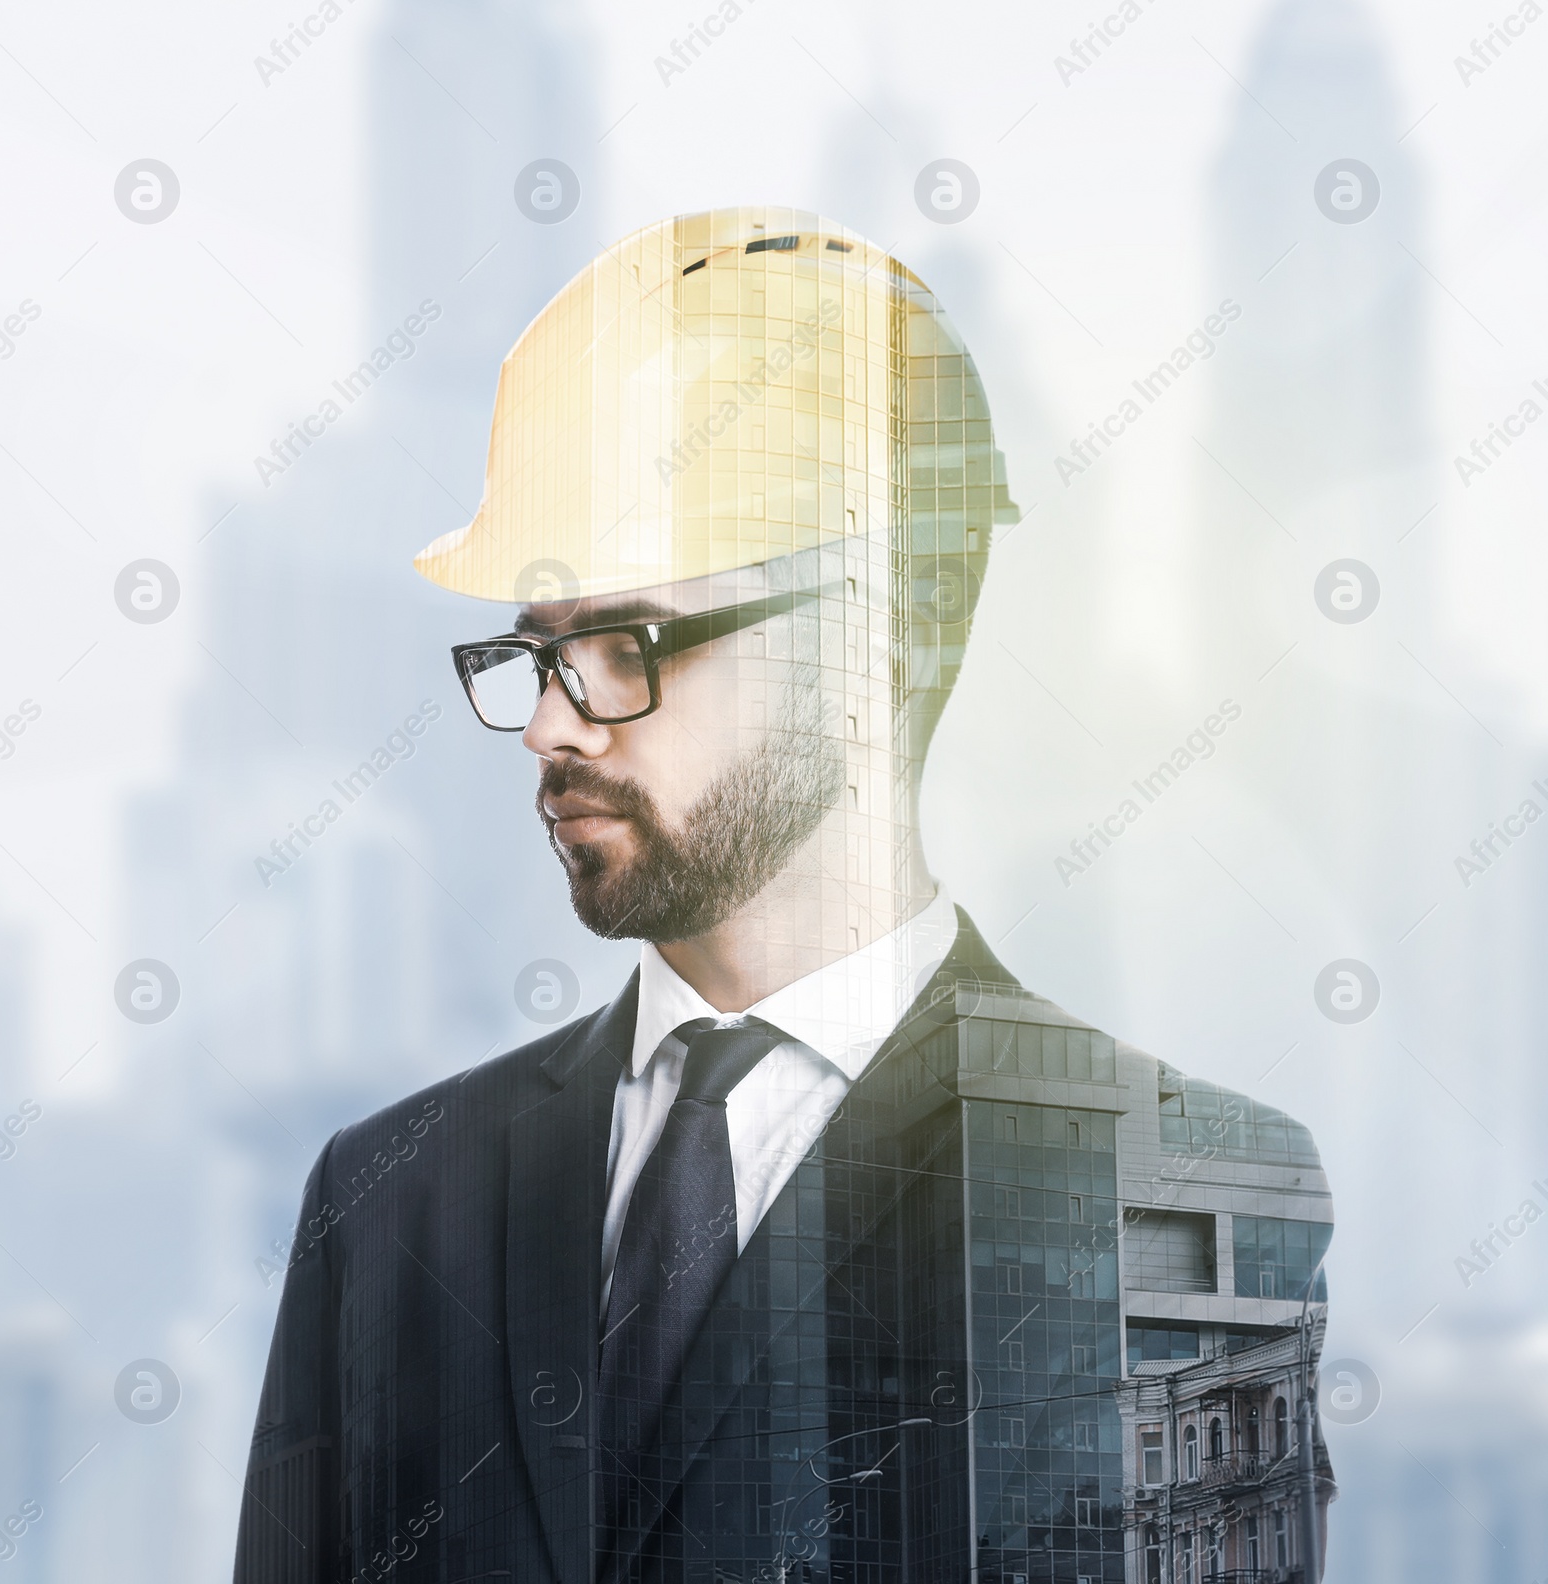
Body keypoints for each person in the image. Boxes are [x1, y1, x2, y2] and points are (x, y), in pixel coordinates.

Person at [233, 207, 1332, 1584]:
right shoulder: (394, 1201)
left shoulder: (1173, 1189)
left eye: (624, 644)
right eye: (536, 653)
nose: (550, 730)